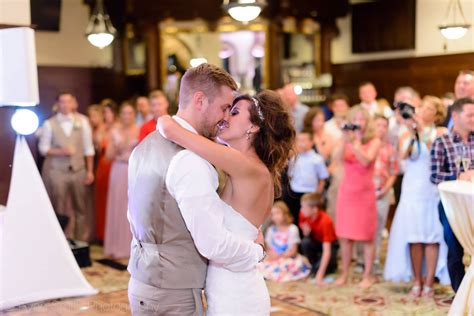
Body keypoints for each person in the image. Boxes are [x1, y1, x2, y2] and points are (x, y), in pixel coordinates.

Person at [128, 64, 294, 315]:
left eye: (233, 111)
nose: (225, 117)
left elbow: (182, 135)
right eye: (226, 108)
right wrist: (254, 251)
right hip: (213, 284)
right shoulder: (232, 163)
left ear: (253, 127)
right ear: (200, 100)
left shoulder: (247, 168)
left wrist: (168, 125)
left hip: (235, 291)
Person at [385, 96, 450, 297]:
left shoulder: (441, 132)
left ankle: (429, 281)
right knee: (414, 237)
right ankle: (416, 280)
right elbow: (402, 157)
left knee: (431, 237)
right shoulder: (407, 134)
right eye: (422, 107)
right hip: (412, 190)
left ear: (437, 114)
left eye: (428, 108)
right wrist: (407, 126)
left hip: (431, 190)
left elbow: (435, 152)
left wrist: (421, 129)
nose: (422, 110)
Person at [333, 105, 381, 288]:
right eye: (355, 119)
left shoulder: (374, 140)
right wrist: (344, 140)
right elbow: (336, 159)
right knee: (345, 236)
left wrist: (354, 143)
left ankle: (367, 276)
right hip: (347, 192)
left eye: (362, 119)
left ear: (367, 122)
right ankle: (345, 273)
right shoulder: (346, 140)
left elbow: (366, 159)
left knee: (367, 236)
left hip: (365, 192)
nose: (358, 122)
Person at [430, 97, 474, 293]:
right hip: (451, 205)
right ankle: (461, 294)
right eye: (470, 114)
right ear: (455, 115)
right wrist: (458, 176)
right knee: (455, 251)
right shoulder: (442, 142)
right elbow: (434, 176)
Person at [39, 92, 95, 241]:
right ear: (58, 104)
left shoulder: (82, 121)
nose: (65, 105)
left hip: (78, 170)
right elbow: (43, 149)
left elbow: (89, 148)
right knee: (59, 207)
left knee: (80, 208)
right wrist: (60, 151)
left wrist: (90, 171)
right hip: (57, 171)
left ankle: (80, 242)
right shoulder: (49, 124)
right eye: (62, 102)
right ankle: (60, 242)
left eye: (68, 101)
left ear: (73, 103)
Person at [104, 102, 139, 258]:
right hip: (118, 170)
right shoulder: (114, 131)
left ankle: (132, 246)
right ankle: (116, 245)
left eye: (130, 113)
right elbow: (108, 156)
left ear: (134, 115)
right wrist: (116, 147)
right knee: (118, 205)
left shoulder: (139, 129)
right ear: (120, 115)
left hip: (133, 170)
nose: (127, 116)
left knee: (132, 205)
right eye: (124, 113)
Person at [258, 201, 310, 283]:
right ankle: (270, 274)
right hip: (274, 257)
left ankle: (276, 275)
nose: (275, 216)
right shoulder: (271, 230)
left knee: (288, 265)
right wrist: (273, 255)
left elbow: (293, 251)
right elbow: (268, 248)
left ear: (285, 214)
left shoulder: (292, 229)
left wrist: (280, 256)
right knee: (261, 265)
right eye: (273, 214)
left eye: (278, 213)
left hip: (288, 257)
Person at [371, 115, 399, 269]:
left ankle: (375, 258)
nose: (381, 129)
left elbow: (394, 172)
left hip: (383, 190)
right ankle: (363, 258)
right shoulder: (367, 145)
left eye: (384, 126)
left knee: (379, 225)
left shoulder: (390, 148)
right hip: (366, 190)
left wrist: (385, 189)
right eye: (378, 125)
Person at [284, 131, 329, 225]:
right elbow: (290, 175)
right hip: (295, 192)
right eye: (299, 141)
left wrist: (317, 194)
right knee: (295, 216)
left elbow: (322, 179)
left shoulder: (317, 159)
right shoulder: (294, 158)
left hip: (310, 192)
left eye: (304, 140)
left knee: (309, 219)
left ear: (312, 142)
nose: (301, 143)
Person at [299, 193, 338, 285]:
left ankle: (327, 266)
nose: (301, 209)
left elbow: (327, 250)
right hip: (315, 241)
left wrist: (320, 275)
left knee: (321, 270)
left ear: (314, 209)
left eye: (304, 207)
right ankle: (314, 265)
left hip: (329, 245)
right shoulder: (303, 214)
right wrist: (306, 232)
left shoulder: (326, 221)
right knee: (305, 242)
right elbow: (305, 233)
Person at [94, 99, 118, 242]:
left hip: (113, 165)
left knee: (113, 199)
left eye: (108, 112)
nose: (106, 115)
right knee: (101, 199)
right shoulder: (101, 128)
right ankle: (102, 234)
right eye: (104, 113)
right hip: (102, 165)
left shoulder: (117, 127)